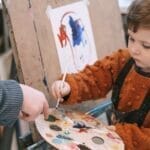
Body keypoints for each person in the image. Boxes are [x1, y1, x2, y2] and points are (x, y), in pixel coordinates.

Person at [51, 0, 150, 149]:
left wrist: (120, 135)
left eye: (146, 45)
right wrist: (69, 86)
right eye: (131, 38)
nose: (134, 49)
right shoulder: (123, 60)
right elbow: (95, 78)